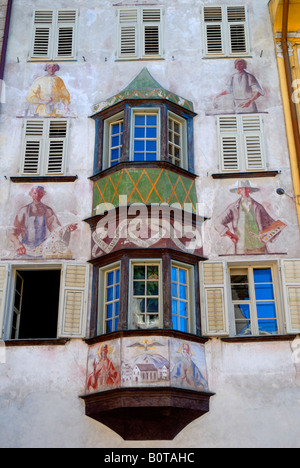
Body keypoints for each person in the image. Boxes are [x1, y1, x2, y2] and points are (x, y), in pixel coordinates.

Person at [9, 186, 77, 257]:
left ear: (43, 194)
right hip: (24, 250)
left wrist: (66, 229)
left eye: (40, 193)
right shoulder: (23, 211)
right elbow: (13, 232)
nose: (37, 195)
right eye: (35, 193)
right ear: (31, 194)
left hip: (43, 250)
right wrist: (16, 242)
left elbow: (56, 229)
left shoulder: (48, 211)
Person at [215, 181, 279, 254]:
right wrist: (231, 235)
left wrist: (266, 237)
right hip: (241, 247)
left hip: (259, 246)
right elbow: (217, 223)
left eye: (247, 188)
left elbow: (273, 225)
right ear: (239, 191)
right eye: (242, 189)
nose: (244, 191)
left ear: (250, 190)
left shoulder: (258, 207)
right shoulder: (233, 207)